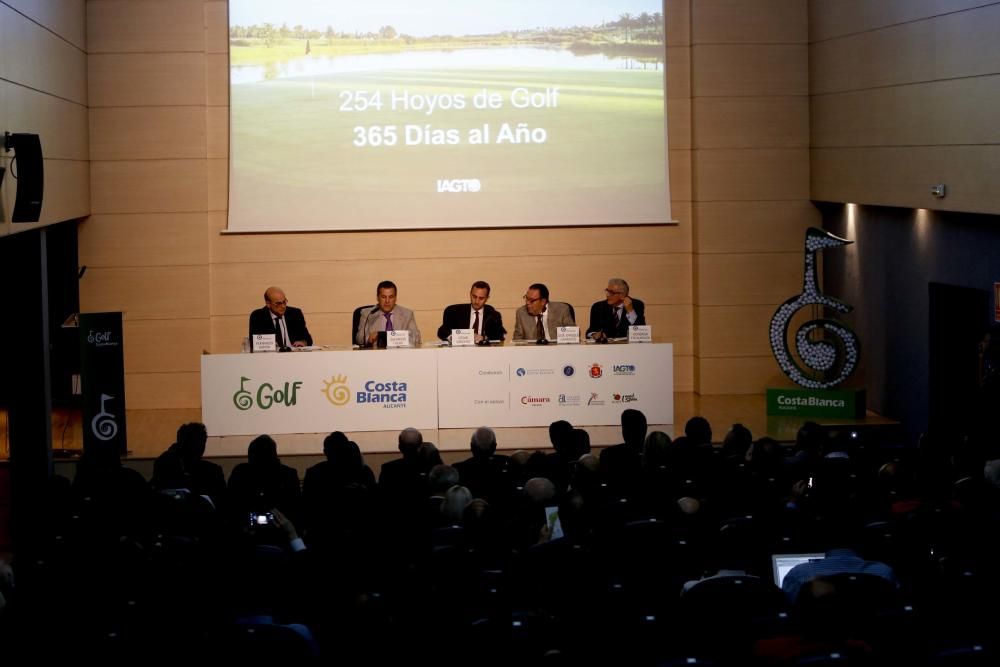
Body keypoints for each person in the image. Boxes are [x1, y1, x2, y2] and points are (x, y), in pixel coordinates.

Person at [436, 280, 506, 343]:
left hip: (484, 352)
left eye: (481, 298)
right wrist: (454, 338)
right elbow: (442, 331)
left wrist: (484, 338)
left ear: (487, 298)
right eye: (474, 296)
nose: (476, 301)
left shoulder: (493, 315)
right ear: (470, 294)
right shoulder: (456, 312)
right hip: (460, 351)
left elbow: (500, 336)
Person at [355, 280, 421, 347]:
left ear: (395, 298)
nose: (387, 301)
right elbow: (359, 339)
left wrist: (399, 338)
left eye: (391, 297)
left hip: (400, 354)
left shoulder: (407, 314)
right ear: (378, 297)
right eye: (383, 297)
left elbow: (416, 339)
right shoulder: (367, 314)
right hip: (375, 354)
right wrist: (368, 338)